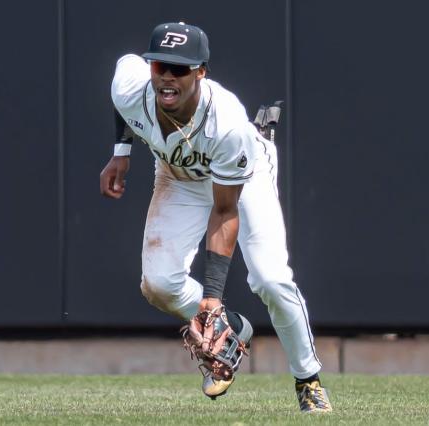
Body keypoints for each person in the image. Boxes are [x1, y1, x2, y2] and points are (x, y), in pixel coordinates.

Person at [100, 21, 332, 414]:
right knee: (158, 284)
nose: (168, 77)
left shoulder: (226, 122)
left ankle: (307, 379)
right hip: (179, 175)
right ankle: (232, 327)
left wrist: (210, 298)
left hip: (244, 174)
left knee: (270, 278)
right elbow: (127, 78)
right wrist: (121, 152)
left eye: (180, 69)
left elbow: (224, 213)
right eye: (161, 67)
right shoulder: (130, 88)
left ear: (201, 72)